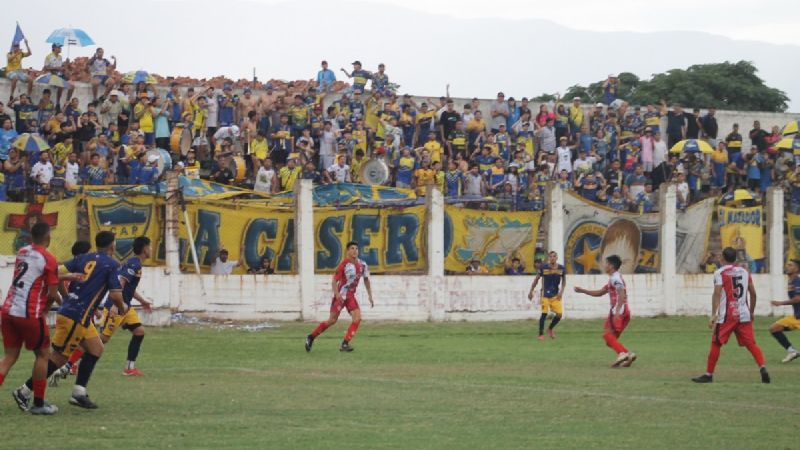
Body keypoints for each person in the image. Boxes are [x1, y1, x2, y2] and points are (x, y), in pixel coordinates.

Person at [13, 231, 127, 411]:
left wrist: (66, 297)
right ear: (112, 245)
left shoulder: (83, 258)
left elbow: (56, 274)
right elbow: (115, 294)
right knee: (58, 358)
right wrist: (121, 307)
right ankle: (24, 391)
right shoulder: (112, 264)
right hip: (76, 317)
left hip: (77, 314)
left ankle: (79, 393)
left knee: (96, 349)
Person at [68, 237, 153, 377]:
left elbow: (129, 288)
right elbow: (121, 283)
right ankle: (70, 363)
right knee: (101, 340)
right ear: (145, 248)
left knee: (139, 331)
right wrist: (114, 305)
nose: (151, 249)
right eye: (149, 246)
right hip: (117, 306)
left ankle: (129, 368)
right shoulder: (134, 264)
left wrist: (143, 301)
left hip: (125, 307)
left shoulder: (135, 263)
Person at [0, 223, 61, 414]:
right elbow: (52, 293)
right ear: (48, 237)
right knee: (43, 355)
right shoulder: (49, 259)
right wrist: (61, 305)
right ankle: (39, 403)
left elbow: (31, 275)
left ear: (31, 236)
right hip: (29, 313)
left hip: (8, 310)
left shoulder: (22, 252)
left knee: (9, 356)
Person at [692, 247, 770, 384]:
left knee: (716, 342)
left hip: (727, 315)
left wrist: (713, 315)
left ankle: (709, 374)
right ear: (735, 258)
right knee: (751, 343)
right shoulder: (745, 272)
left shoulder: (720, 273)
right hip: (743, 314)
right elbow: (753, 294)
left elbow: (717, 294)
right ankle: (762, 367)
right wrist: (751, 312)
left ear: (722, 258)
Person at [305, 242, 374, 353]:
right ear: (348, 251)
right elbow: (334, 281)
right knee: (332, 320)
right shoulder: (344, 265)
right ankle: (311, 337)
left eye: (356, 248)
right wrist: (337, 294)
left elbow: (366, 279)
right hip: (341, 296)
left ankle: (345, 343)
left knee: (357, 318)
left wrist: (370, 295)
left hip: (350, 296)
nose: (355, 250)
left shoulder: (363, 265)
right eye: (352, 248)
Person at [573, 255, 637, 367]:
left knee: (607, 335)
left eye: (606, 263)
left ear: (611, 266)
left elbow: (621, 293)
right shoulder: (614, 279)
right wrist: (583, 290)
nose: (604, 265)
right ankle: (628, 354)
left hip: (618, 311)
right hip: (624, 311)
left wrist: (617, 311)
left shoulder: (615, 279)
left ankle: (622, 353)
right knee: (610, 340)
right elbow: (600, 292)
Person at [528, 251, 566, 340]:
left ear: (556, 258)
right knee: (544, 314)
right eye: (551, 256)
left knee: (559, 314)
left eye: (554, 256)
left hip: (555, 295)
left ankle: (550, 329)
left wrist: (561, 292)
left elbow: (564, 281)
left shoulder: (561, 268)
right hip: (545, 295)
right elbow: (536, 279)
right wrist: (531, 291)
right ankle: (541, 334)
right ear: (549, 258)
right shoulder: (543, 268)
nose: (552, 258)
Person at [768, 259, 800, 363]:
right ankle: (792, 351)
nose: (787, 266)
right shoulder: (791, 281)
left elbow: (798, 299)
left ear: (797, 269)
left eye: (790, 265)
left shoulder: (797, 281)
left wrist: (780, 303)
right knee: (774, 328)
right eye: (787, 265)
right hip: (796, 317)